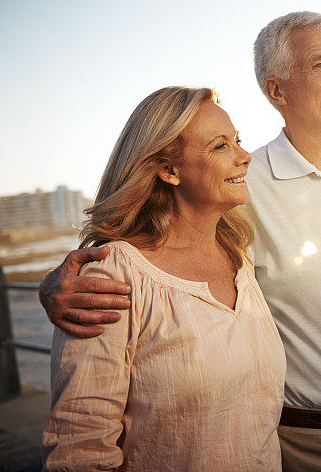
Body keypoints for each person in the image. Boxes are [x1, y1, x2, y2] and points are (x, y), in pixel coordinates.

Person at [39, 12, 321, 472]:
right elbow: (157, 243)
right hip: (310, 446)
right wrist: (56, 286)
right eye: (319, 64)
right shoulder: (240, 187)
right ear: (276, 90)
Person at [41, 87, 286, 471]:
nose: (243, 156)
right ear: (170, 170)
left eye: (238, 140)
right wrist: (49, 286)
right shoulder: (116, 272)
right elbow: (80, 446)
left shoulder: (238, 255)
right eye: (220, 146)